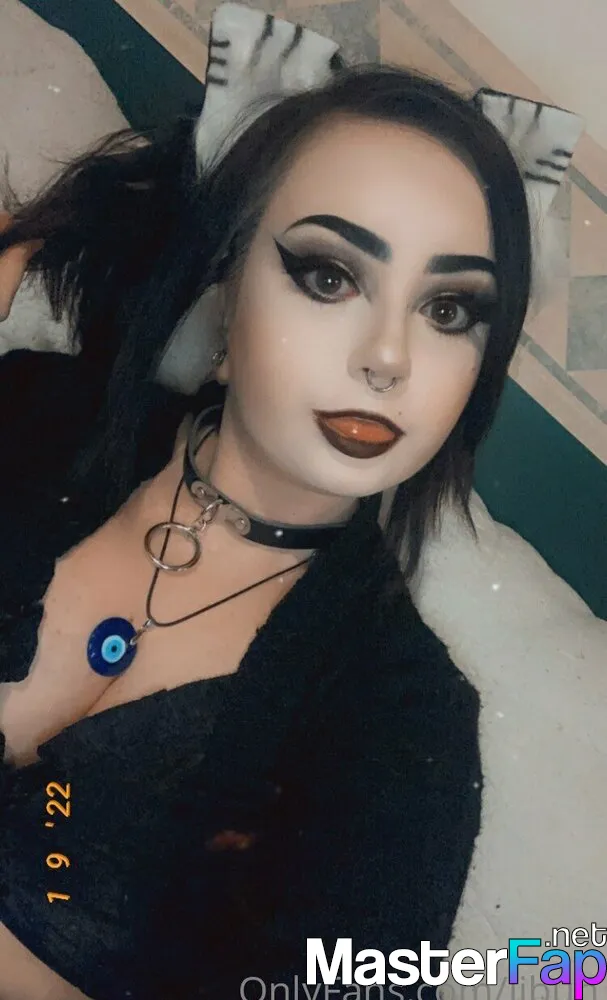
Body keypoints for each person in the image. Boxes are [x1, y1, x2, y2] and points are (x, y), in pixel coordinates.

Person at [0, 7, 573, 994]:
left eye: (448, 309)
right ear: (228, 287)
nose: (387, 357)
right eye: (329, 274)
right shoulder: (35, 413)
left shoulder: (401, 726)